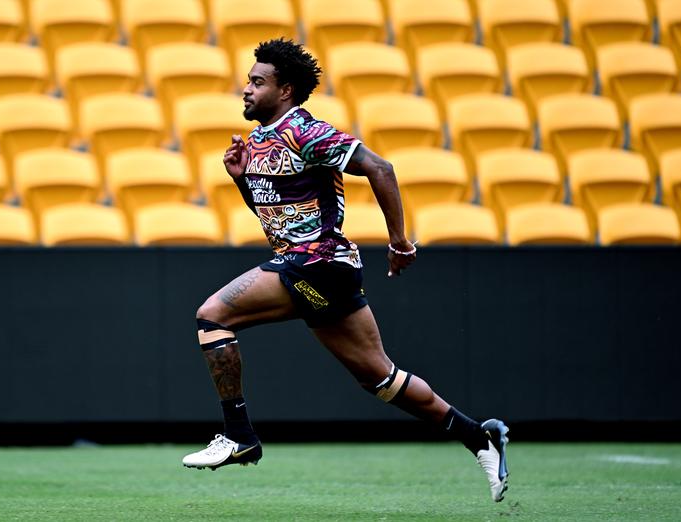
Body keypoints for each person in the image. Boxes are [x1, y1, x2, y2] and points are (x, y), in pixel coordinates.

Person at [181, 38, 510, 503]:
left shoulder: (306, 132)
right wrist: (241, 179)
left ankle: (239, 435)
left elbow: (381, 167)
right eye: (248, 81)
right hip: (311, 271)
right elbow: (274, 218)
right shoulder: (257, 143)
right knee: (380, 378)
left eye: (258, 82)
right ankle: (481, 438)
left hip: (318, 264)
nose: (247, 89)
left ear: (287, 90)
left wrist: (399, 242)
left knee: (212, 316)